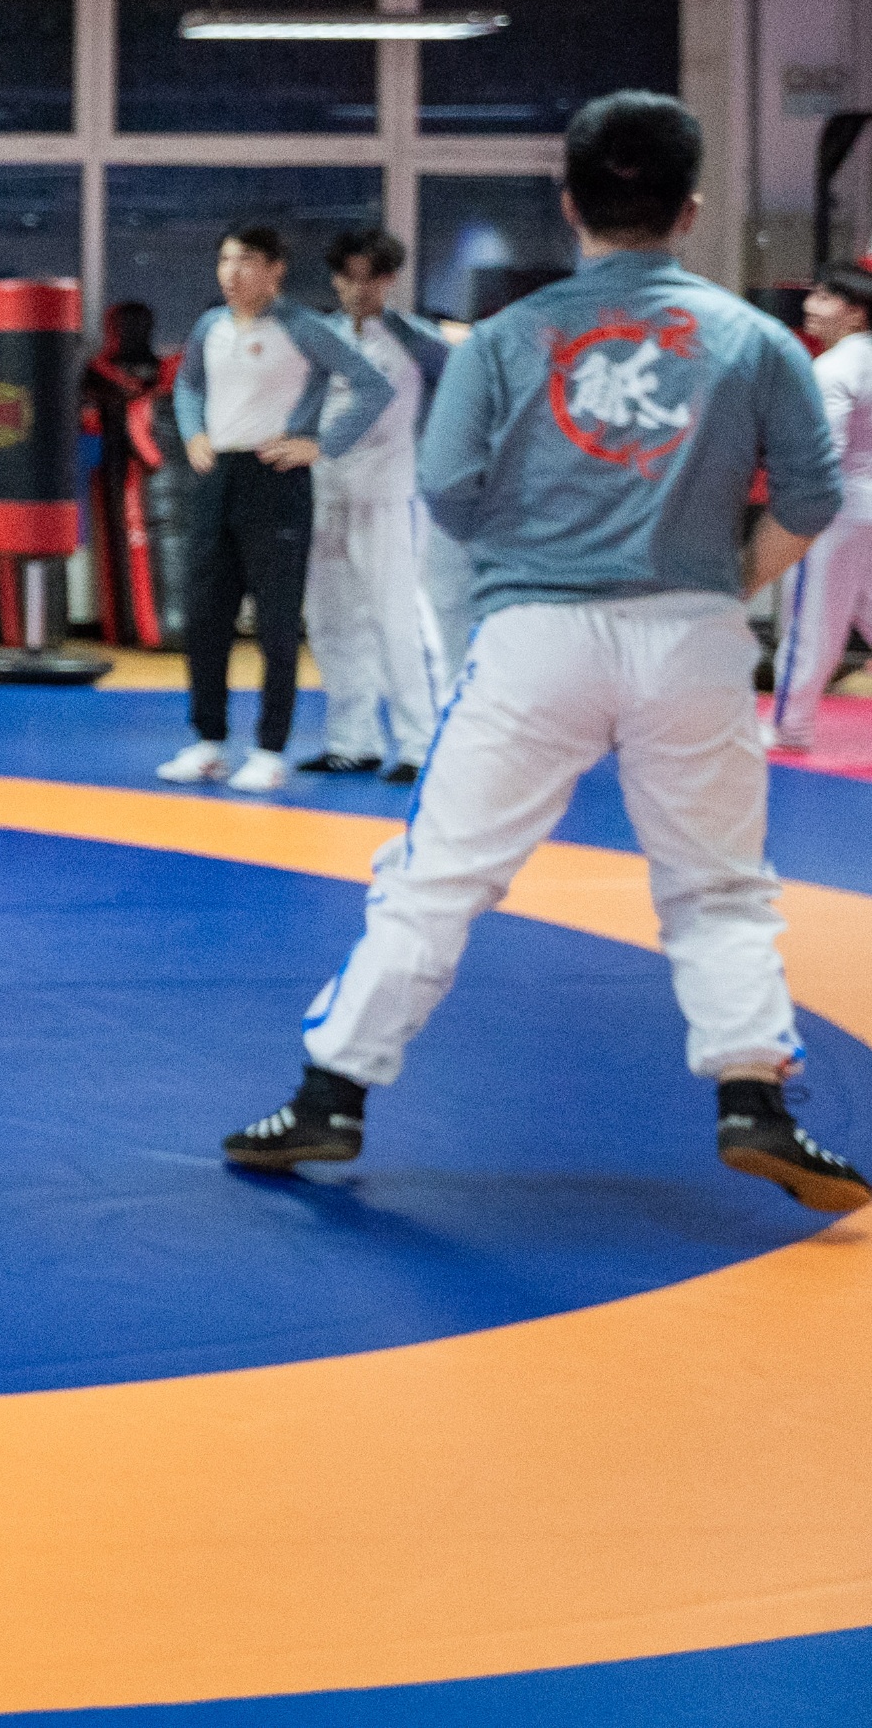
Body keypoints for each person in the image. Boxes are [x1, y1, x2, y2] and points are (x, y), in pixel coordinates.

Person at [224, 93, 865, 1214]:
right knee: (719, 888)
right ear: (692, 209)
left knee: (437, 876)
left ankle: (330, 1097)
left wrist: (542, 553)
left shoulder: (508, 338)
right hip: (692, 636)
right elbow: (810, 498)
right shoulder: (757, 341)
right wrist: (722, 583)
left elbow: (447, 490)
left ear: (569, 204)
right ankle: (754, 1100)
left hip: (538, 638)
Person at [155, 224, 386, 795]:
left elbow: (372, 386)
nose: (231, 274)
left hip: (276, 479)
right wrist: (193, 433)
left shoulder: (302, 328)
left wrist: (320, 444)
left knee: (277, 625)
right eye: (224, 261)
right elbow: (188, 386)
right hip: (216, 478)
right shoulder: (210, 326)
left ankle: (270, 750)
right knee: (205, 618)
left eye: (246, 262)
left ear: (275, 269)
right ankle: (209, 742)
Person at [303, 228, 458, 779]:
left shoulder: (418, 341)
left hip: (391, 498)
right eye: (347, 278)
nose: (357, 289)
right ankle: (352, 740)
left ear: (389, 279)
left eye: (369, 278)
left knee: (399, 622)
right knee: (331, 621)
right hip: (325, 496)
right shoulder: (317, 339)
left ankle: (423, 743)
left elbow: (474, 386)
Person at [768, 257, 872, 749]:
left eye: (825, 297)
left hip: (838, 512)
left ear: (856, 311)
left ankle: (791, 726)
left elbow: (822, 454)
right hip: (862, 509)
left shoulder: (833, 368)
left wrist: (798, 511)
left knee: (811, 621)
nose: (810, 305)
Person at [83, 300, 170, 648]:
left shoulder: (160, 370)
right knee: (119, 545)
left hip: (152, 468)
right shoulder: (99, 373)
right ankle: (123, 627)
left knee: (155, 545)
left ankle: (148, 627)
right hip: (116, 467)